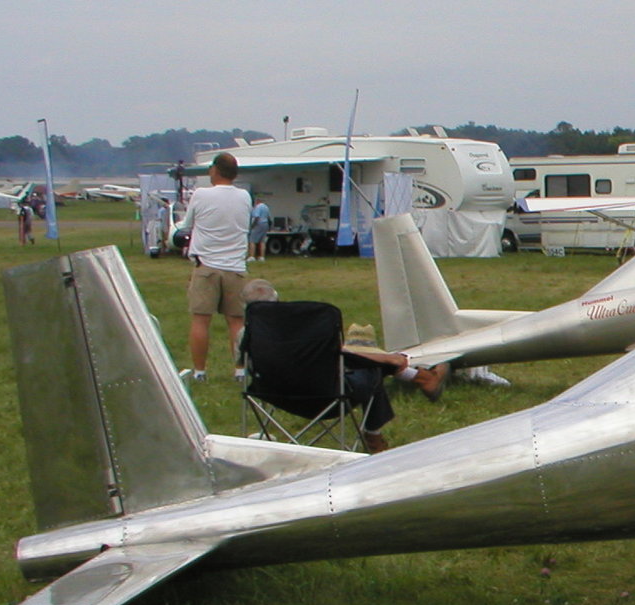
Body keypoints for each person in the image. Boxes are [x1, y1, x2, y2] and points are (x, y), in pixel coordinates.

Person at [240, 282, 448, 453]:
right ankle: (374, 436)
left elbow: (246, 368)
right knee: (372, 368)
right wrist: (386, 360)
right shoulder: (305, 327)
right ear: (277, 298)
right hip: (329, 397)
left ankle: (423, 379)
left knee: (369, 363)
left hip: (273, 395)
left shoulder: (247, 336)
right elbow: (343, 356)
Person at [178, 152, 254, 380]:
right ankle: (240, 370)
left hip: (207, 266)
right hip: (235, 266)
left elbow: (187, 225)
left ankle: (200, 371)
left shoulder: (201, 195)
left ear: (215, 170)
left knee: (201, 320)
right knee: (237, 322)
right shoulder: (244, 197)